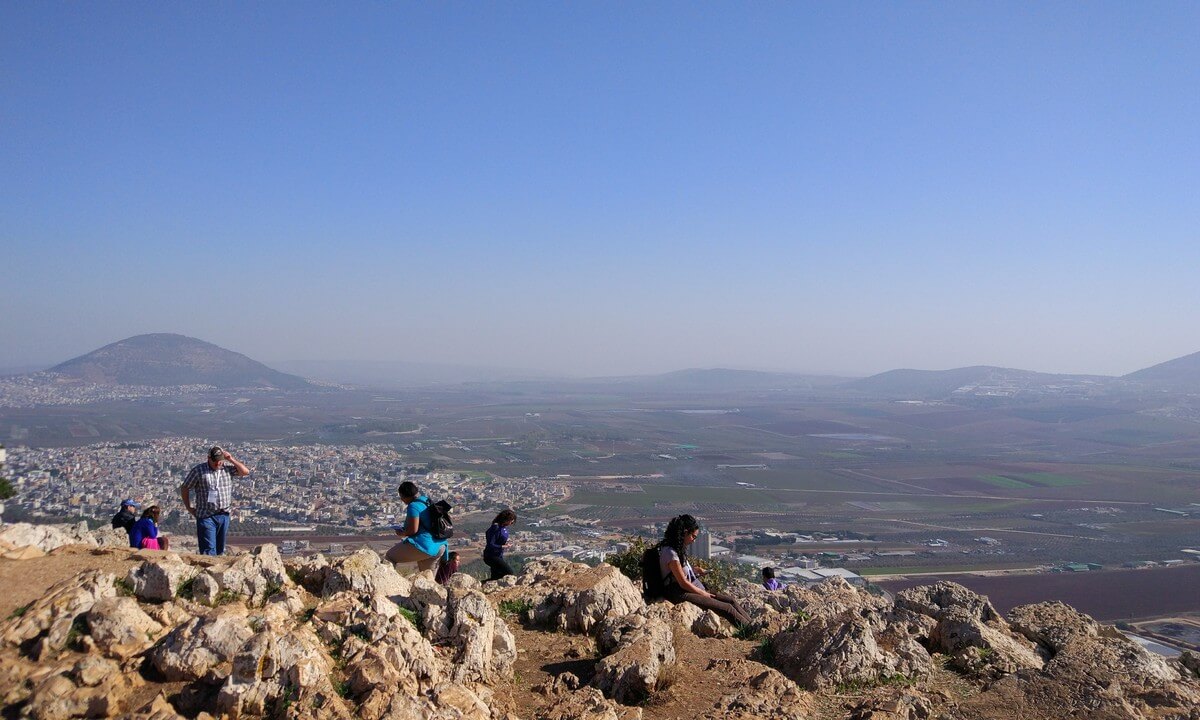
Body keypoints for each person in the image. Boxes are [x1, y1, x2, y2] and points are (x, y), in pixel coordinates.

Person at [657, 514, 751, 627]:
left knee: (731, 601)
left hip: (691, 586)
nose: (693, 540)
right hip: (680, 592)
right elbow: (682, 582)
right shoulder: (671, 553)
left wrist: (695, 570)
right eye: (693, 536)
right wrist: (703, 594)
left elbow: (679, 570)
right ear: (685, 532)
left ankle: (753, 625)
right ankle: (751, 630)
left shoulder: (676, 549)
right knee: (727, 609)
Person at [180, 445, 250, 556]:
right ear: (208, 458)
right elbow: (185, 487)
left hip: (224, 514)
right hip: (206, 515)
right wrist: (189, 507)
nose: (218, 463)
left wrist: (230, 459)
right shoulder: (199, 471)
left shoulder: (227, 469)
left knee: (220, 549)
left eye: (220, 461)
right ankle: (207, 570)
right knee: (209, 550)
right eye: (215, 461)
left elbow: (245, 472)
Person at [385, 481, 447, 572]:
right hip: (439, 545)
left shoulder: (413, 506)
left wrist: (402, 533)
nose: (401, 499)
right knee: (427, 579)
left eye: (401, 497)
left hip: (424, 545)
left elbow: (413, 530)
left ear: (405, 496)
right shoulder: (425, 500)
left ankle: (388, 584)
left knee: (389, 557)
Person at [483, 508, 516, 582]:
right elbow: (490, 544)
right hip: (491, 556)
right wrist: (502, 546)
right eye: (511, 520)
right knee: (509, 573)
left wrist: (505, 544)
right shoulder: (496, 528)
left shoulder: (503, 528)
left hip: (498, 555)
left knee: (496, 577)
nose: (512, 522)